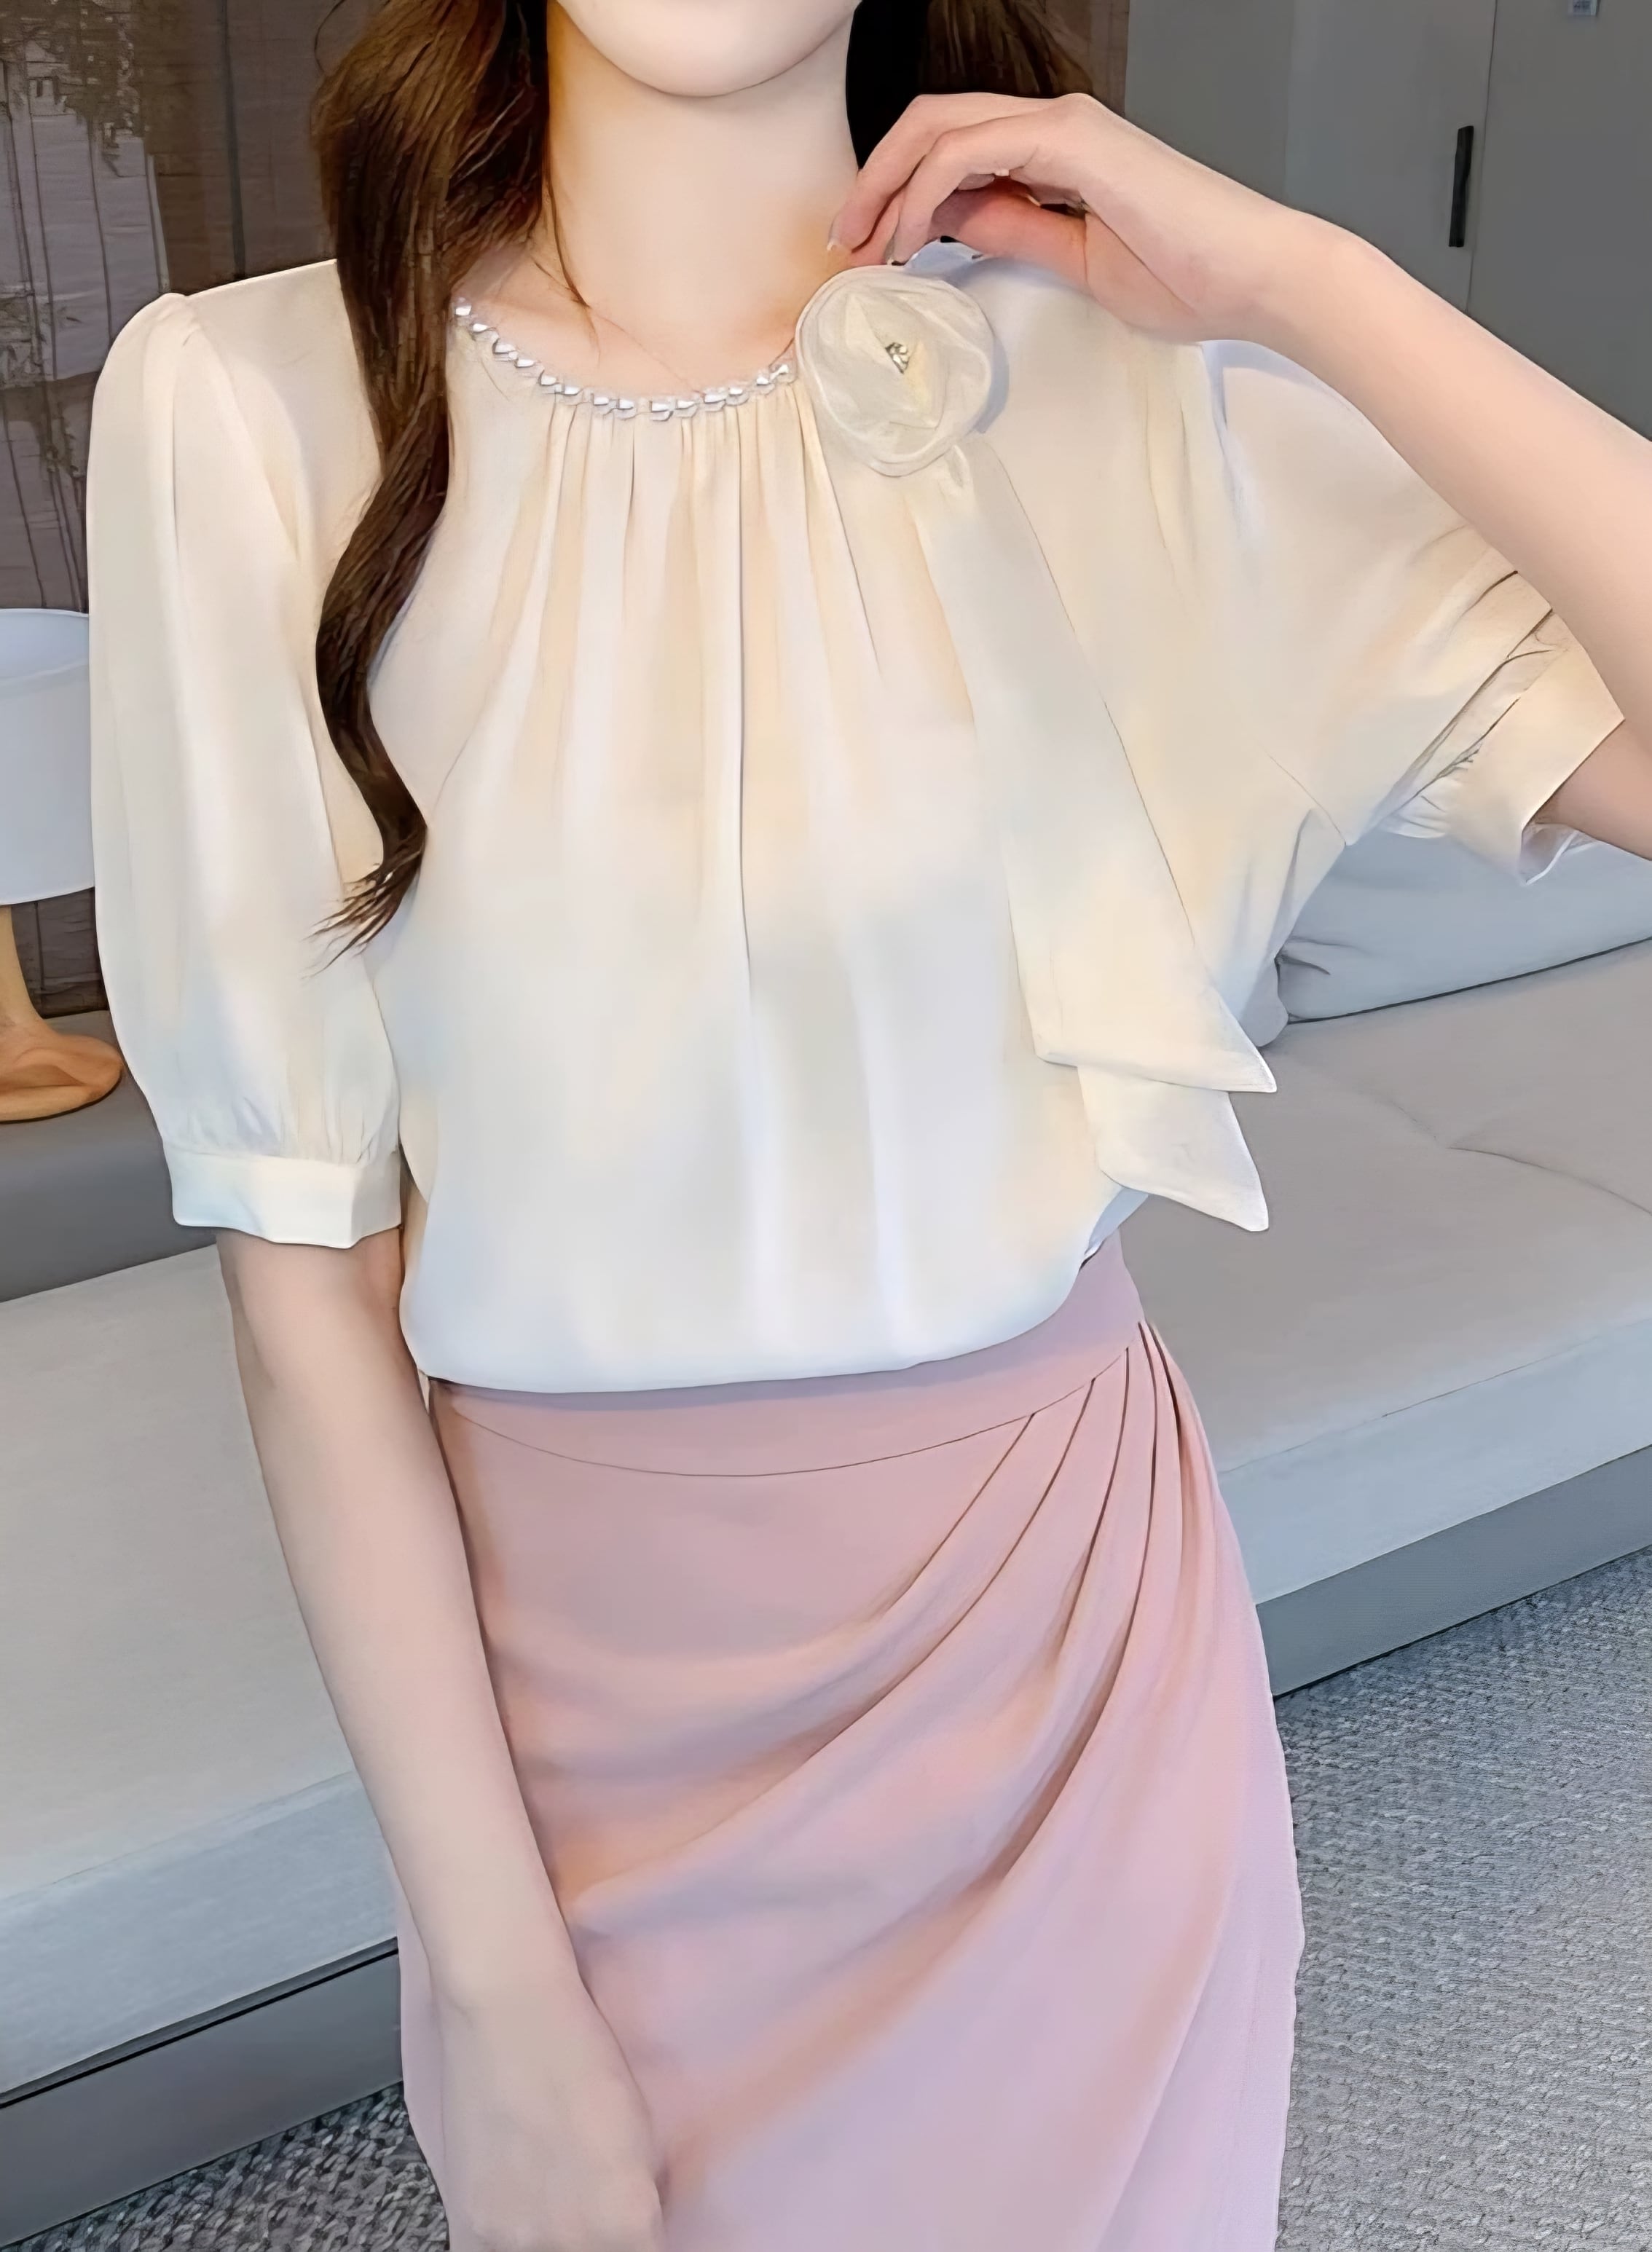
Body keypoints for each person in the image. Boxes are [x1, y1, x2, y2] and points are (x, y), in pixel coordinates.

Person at [84, 1, 1652, 2246]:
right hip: (572, 1723)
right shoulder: (251, 403)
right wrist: (497, 1984)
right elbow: (303, 1282)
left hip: (1067, 1680)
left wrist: (1311, 283)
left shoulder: (1141, 389)